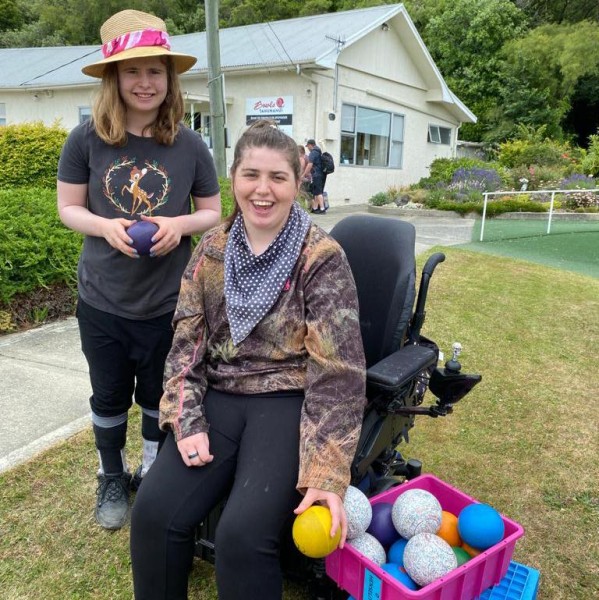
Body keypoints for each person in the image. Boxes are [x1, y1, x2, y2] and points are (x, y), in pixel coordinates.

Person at [130, 120, 366, 599]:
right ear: (233, 178)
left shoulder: (320, 258)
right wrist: (186, 416)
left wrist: (326, 474)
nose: (263, 190)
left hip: (285, 399)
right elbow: (185, 344)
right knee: (153, 513)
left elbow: (337, 373)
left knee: (241, 537)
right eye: (251, 175)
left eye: (278, 177)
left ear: (299, 180)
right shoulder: (212, 252)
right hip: (219, 396)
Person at [56, 9, 221, 531]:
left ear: (170, 78)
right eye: (133, 71)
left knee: (156, 395)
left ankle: (150, 470)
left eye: (156, 70)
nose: (145, 82)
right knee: (107, 395)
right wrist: (105, 227)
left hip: (168, 303)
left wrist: (178, 222)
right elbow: (69, 208)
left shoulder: (190, 144)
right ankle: (111, 474)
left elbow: (214, 211)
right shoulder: (86, 140)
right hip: (102, 299)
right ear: (113, 78)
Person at [303, 138, 326, 214]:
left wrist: (304, 174)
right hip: (320, 174)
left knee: (318, 192)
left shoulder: (313, 153)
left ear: (310, 145)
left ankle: (322, 209)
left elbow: (310, 164)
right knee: (316, 192)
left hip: (316, 174)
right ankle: (315, 208)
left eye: (308, 146)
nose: (307, 148)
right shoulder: (318, 151)